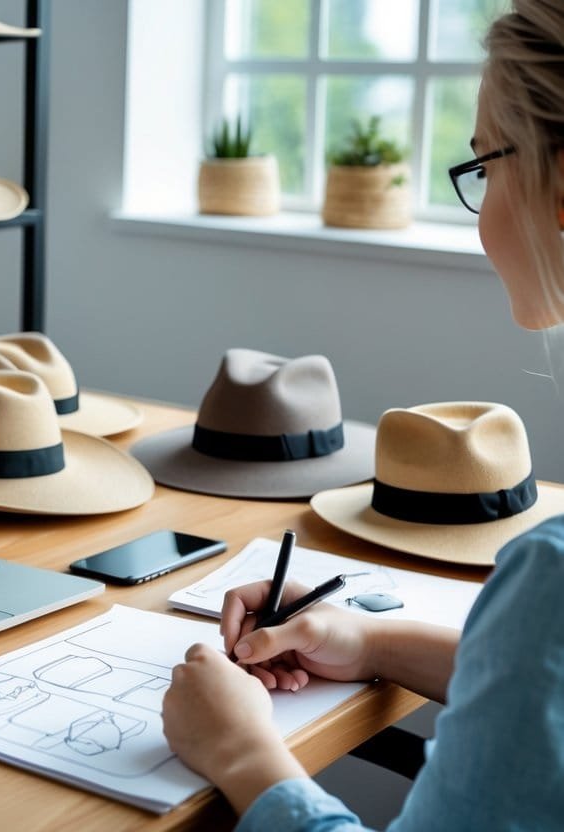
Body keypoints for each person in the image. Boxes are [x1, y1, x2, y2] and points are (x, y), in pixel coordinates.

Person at [161, 3, 564, 829]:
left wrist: (240, 752)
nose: (483, 209)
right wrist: (374, 642)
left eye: (484, 164)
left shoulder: (547, 579)